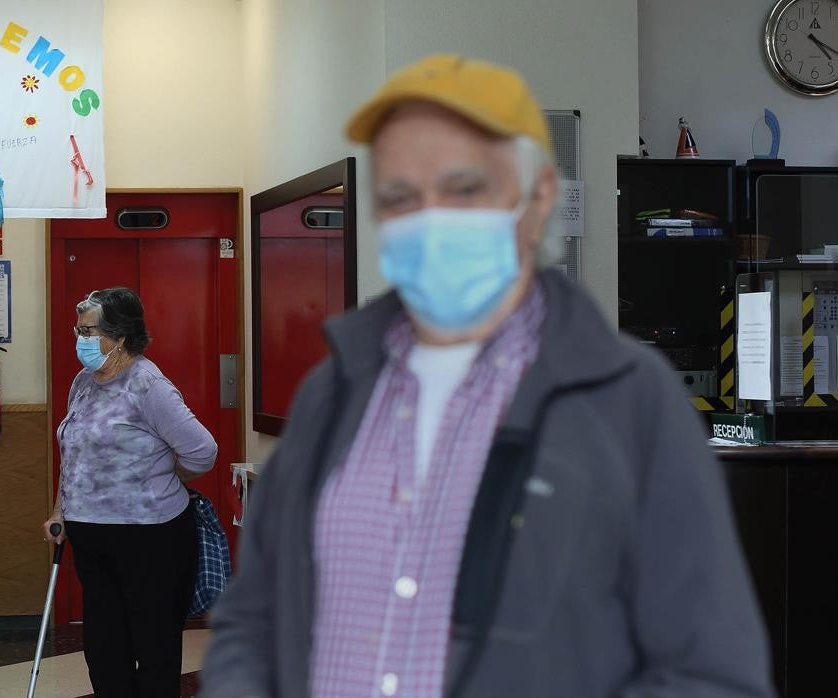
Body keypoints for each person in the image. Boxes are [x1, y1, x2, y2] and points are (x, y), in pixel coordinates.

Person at [203, 55, 774, 697]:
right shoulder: (333, 395)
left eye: (463, 188)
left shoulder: (629, 403)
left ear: (537, 200)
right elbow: (252, 622)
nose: (430, 219)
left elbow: (708, 674)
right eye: (401, 196)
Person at [44, 287, 217, 697]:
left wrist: (160, 476)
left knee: (153, 647)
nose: (80, 340)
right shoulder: (83, 382)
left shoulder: (148, 385)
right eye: (79, 330)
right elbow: (73, 453)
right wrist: (59, 512)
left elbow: (202, 451)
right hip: (91, 535)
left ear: (119, 336)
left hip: (150, 536)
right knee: (104, 651)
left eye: (89, 331)